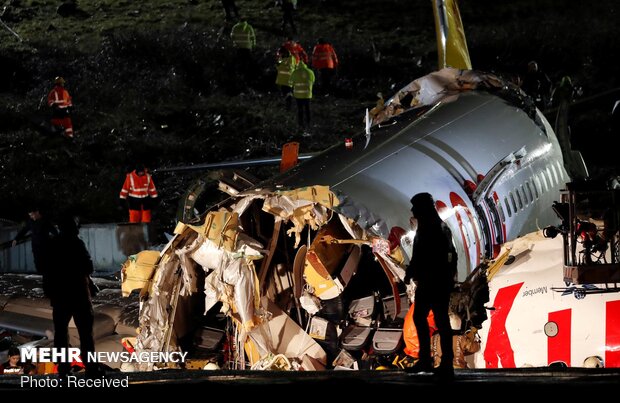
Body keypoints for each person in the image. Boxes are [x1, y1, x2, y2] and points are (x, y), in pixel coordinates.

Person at [404, 192, 457, 379]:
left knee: (432, 320)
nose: (413, 210)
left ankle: (434, 361)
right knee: (435, 320)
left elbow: (423, 256)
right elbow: (451, 255)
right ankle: (437, 361)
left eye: (415, 207)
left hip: (432, 282)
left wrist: (411, 272)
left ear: (423, 208)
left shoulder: (432, 229)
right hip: (436, 281)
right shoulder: (436, 227)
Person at [47, 213, 100, 378]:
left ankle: (63, 368)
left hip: (60, 296)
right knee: (85, 334)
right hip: (79, 295)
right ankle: (91, 368)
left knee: (61, 334)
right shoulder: (77, 244)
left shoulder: (53, 244)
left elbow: (46, 270)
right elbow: (88, 267)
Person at [12, 206, 58, 275]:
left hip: (45, 247)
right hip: (35, 247)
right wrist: (16, 239)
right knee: (37, 263)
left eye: (32, 215)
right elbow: (23, 231)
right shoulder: (31, 222)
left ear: (37, 213)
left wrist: (54, 241)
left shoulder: (45, 221)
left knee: (46, 263)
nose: (31, 217)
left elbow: (55, 232)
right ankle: (40, 277)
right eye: (30, 215)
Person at [289, 60, 315, 129]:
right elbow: (313, 81)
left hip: (298, 95)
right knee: (307, 109)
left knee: (300, 109)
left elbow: (290, 83)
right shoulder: (310, 72)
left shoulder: (295, 72)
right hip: (307, 94)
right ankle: (309, 123)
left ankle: (300, 124)